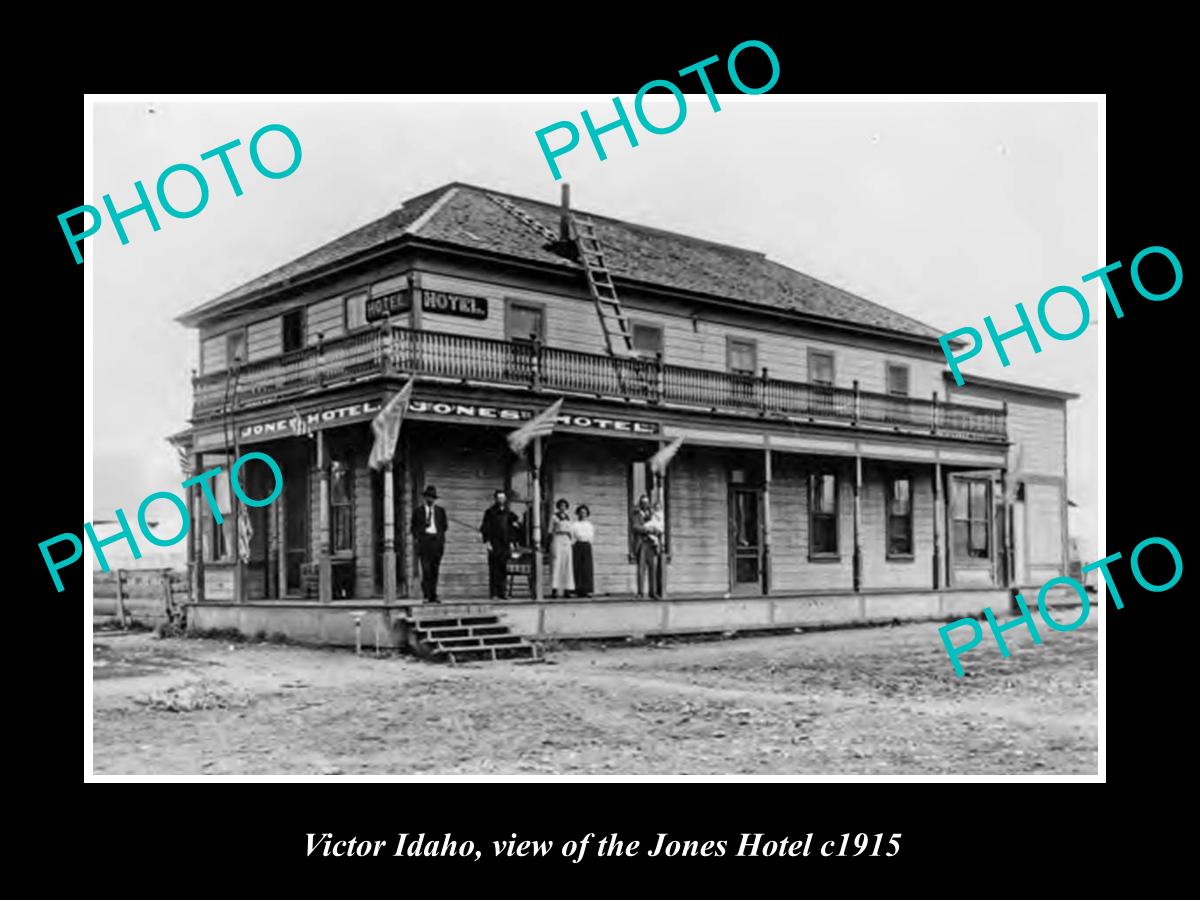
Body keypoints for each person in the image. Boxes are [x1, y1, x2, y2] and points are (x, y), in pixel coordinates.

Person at [479, 489, 521, 600]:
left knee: (503, 569)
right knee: (494, 569)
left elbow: (513, 527)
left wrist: (512, 542)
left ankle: (503, 592)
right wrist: (487, 542)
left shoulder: (508, 513)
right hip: (494, 544)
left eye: (503, 498)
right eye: (499, 498)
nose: (501, 500)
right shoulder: (490, 512)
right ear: (496, 499)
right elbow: (485, 528)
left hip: (505, 544)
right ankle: (494, 593)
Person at [409, 485, 448, 603]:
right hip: (424, 542)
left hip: (436, 542)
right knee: (426, 570)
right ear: (425, 498)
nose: (430, 500)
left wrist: (439, 537)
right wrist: (419, 537)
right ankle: (426, 595)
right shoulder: (418, 511)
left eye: (432, 498)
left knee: (434, 570)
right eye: (428, 497)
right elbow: (413, 527)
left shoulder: (440, 511)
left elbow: (444, 526)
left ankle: (433, 595)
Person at [631, 493, 661, 599]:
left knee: (653, 568)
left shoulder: (652, 513)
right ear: (640, 503)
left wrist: (656, 531)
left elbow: (658, 525)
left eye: (647, 502)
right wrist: (647, 529)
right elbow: (635, 527)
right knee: (641, 568)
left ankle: (653, 592)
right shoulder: (636, 513)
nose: (645, 504)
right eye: (643, 502)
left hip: (652, 543)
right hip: (642, 543)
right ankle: (640, 592)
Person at [549, 498, 575, 598]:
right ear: (558, 507)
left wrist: (571, 541)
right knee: (557, 564)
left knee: (567, 565)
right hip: (557, 539)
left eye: (564, 506)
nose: (562, 508)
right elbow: (550, 531)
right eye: (561, 506)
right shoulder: (554, 517)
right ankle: (554, 589)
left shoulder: (569, 518)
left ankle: (567, 589)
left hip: (567, 541)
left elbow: (571, 532)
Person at [571, 504, 595, 598]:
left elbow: (591, 536)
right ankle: (577, 589)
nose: (582, 514)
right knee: (577, 568)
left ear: (587, 514)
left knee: (586, 568)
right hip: (577, 545)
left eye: (584, 512)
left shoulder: (589, 525)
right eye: (581, 512)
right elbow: (573, 535)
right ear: (578, 513)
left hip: (586, 545)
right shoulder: (575, 524)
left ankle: (586, 590)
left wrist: (588, 542)